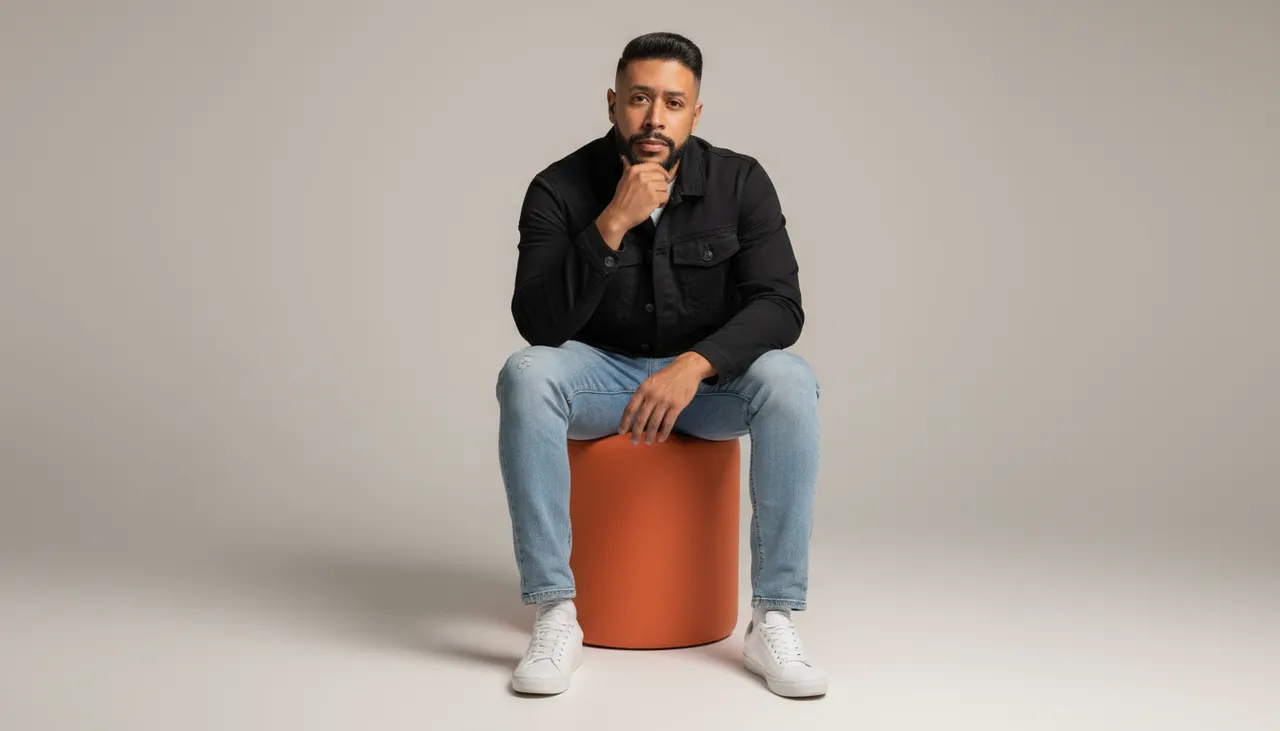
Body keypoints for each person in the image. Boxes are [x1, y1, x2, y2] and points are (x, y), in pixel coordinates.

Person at [495, 31, 825, 698]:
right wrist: (611, 223)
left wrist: (696, 363)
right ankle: (555, 610)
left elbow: (780, 305)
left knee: (790, 381)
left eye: (673, 102)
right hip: (602, 378)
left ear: (695, 114)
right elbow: (539, 325)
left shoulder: (741, 181)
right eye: (641, 98)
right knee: (525, 375)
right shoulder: (558, 188)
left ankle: (774, 617)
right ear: (614, 102)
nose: (654, 118)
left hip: (705, 386)